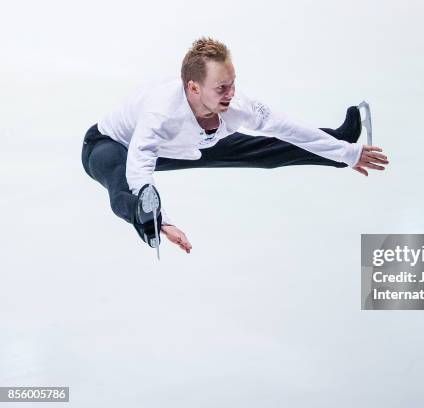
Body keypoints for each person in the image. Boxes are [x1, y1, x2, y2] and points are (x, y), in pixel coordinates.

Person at [81, 36, 389, 255]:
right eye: (221, 88)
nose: (231, 93)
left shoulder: (235, 105)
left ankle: (337, 140)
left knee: (264, 153)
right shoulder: (161, 112)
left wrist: (347, 152)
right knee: (122, 183)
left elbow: (287, 129)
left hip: (183, 145)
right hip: (110, 145)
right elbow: (140, 165)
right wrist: (163, 222)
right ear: (193, 87)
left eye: (232, 83)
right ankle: (144, 217)